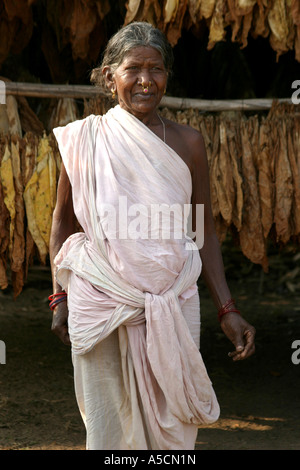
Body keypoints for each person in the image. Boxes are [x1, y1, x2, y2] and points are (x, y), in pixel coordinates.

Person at [49, 22, 255, 451]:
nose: (146, 81)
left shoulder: (189, 143)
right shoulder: (85, 139)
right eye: (133, 69)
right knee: (108, 424)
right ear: (110, 77)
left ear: (167, 75)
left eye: (156, 69)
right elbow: (63, 223)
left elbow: (204, 231)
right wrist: (59, 297)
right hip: (100, 299)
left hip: (173, 298)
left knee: (174, 428)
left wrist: (227, 308)